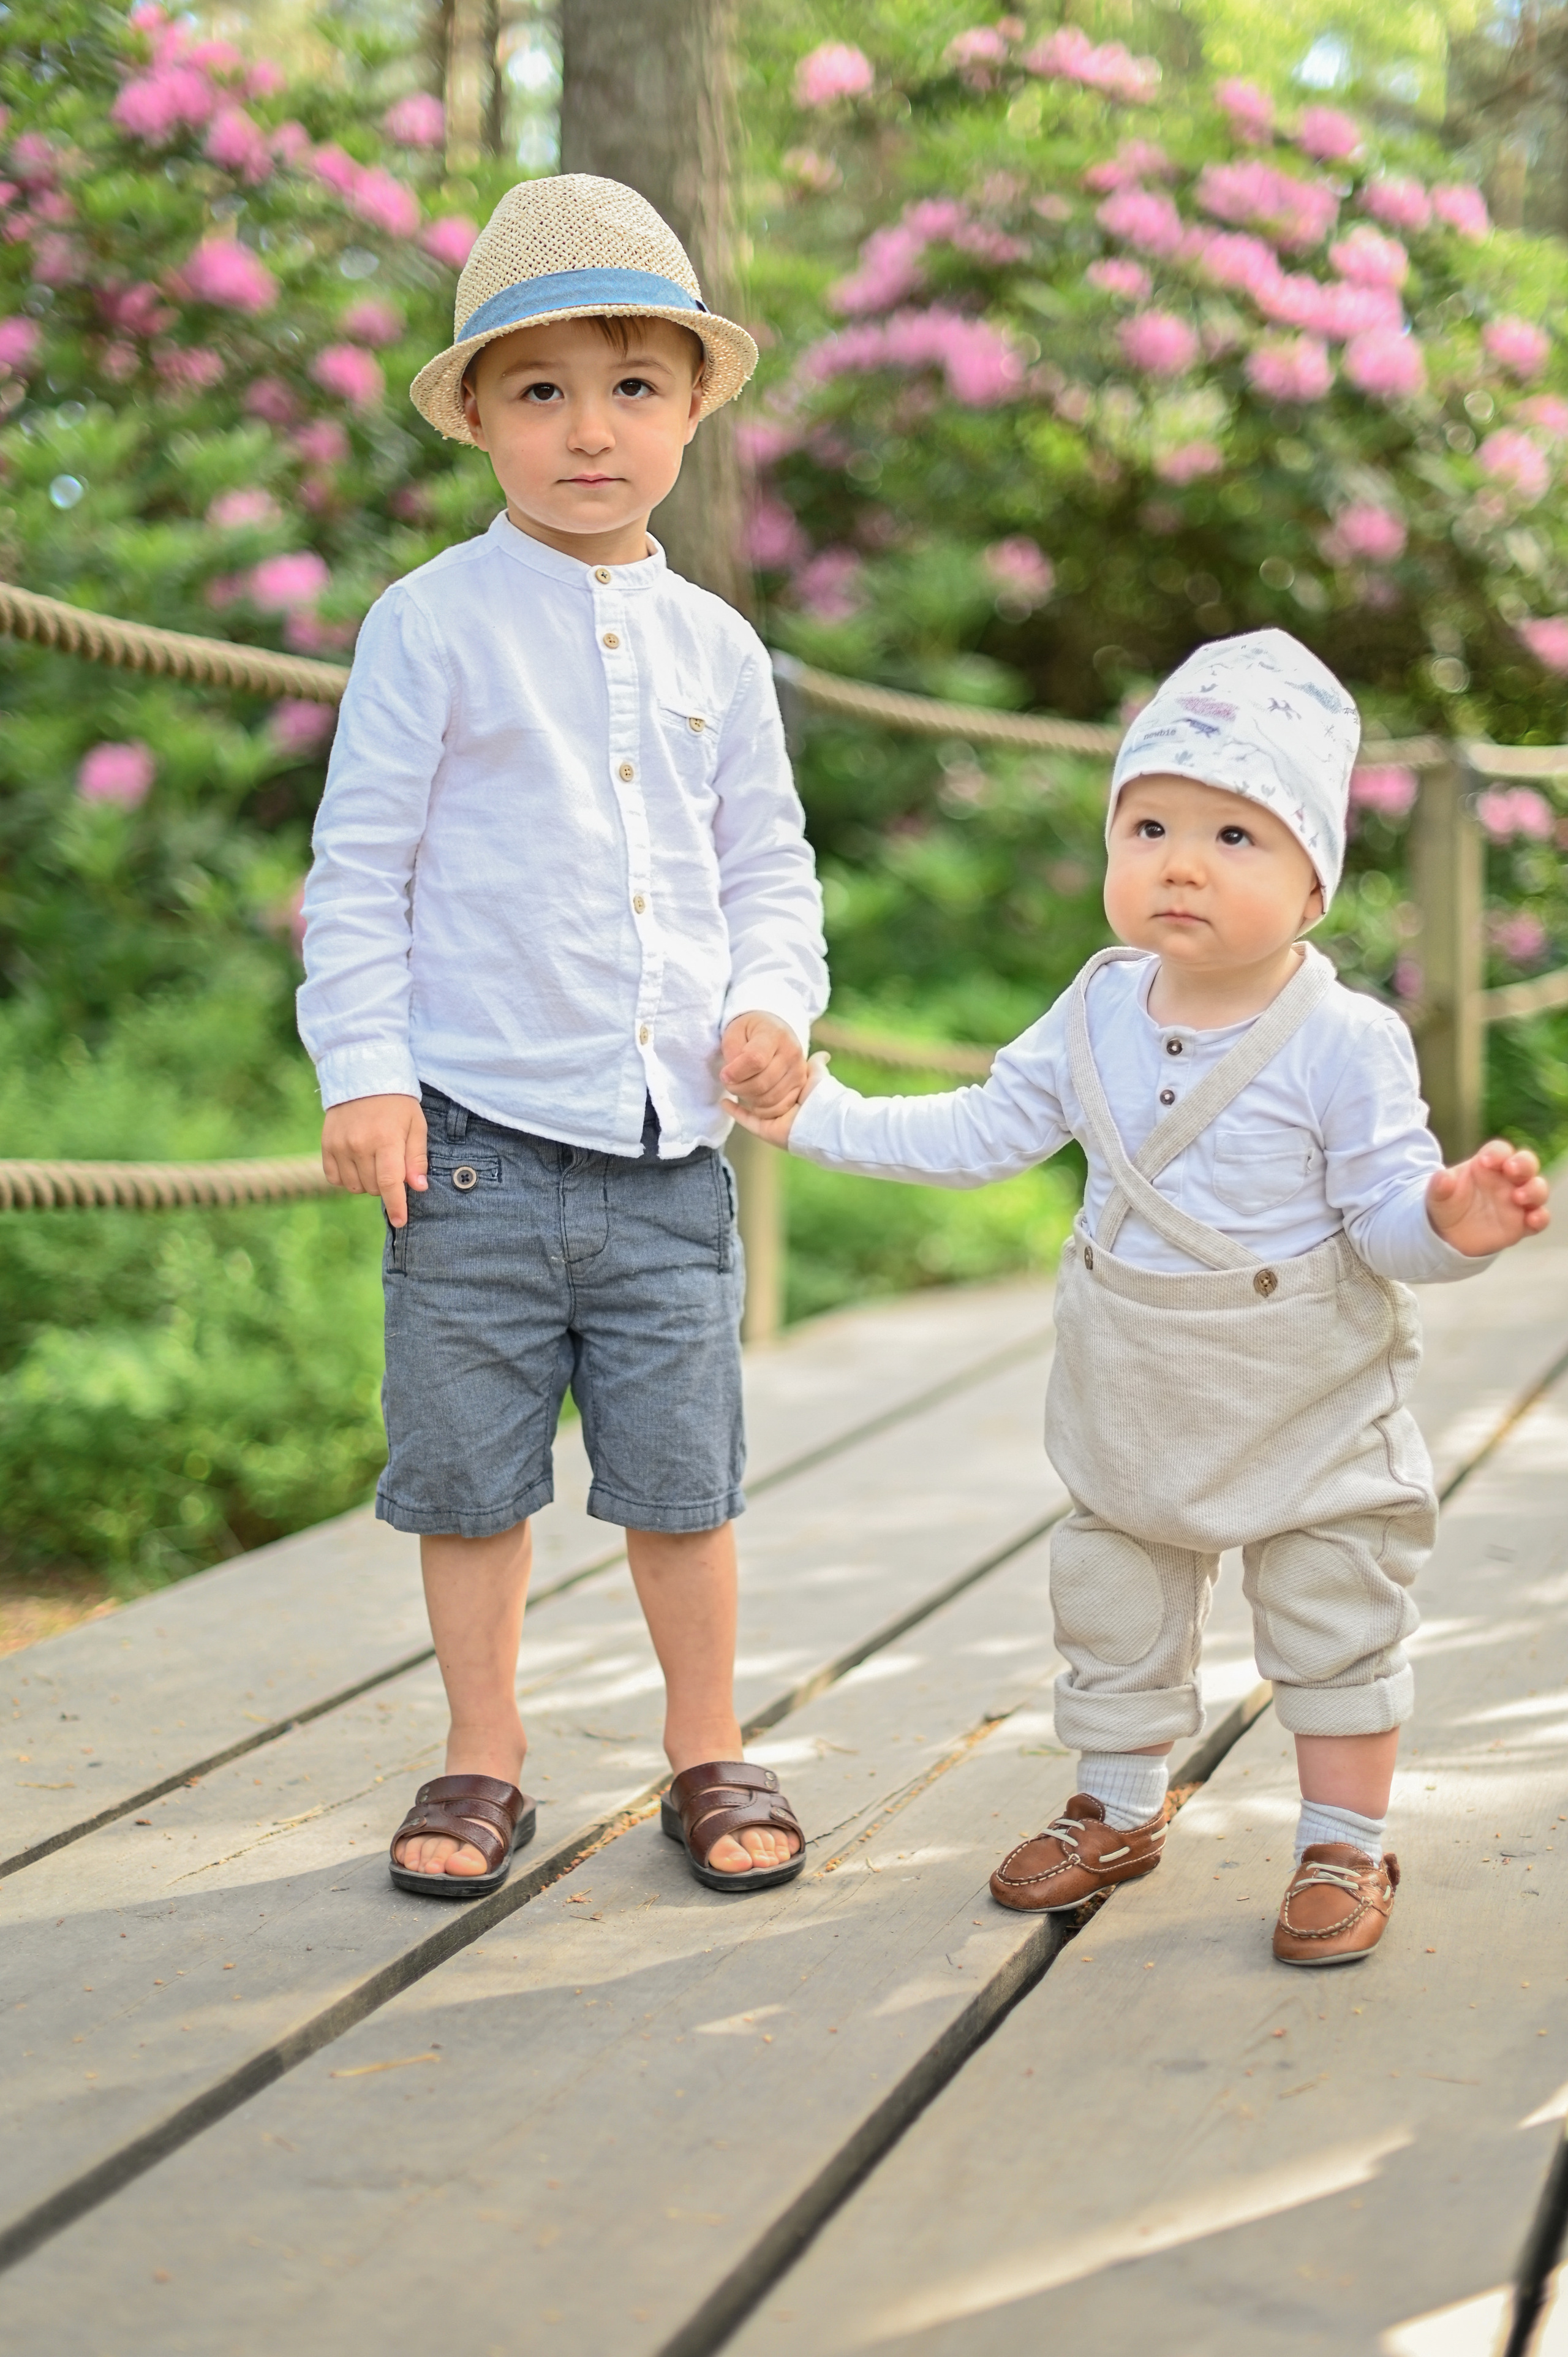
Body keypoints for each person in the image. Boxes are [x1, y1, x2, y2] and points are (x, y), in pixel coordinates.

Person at [728, 628, 1549, 1967]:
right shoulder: (1095, 1006)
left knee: (1333, 1609)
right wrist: (816, 1115)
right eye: (1150, 822)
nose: (1178, 860)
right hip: (1132, 1391)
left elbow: (1388, 1225)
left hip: (1304, 1400)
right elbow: (981, 1131)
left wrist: (1451, 1225)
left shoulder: (1344, 1042)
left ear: (1311, 884)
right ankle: (1114, 1803)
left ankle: (1339, 1837)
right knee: (1110, 1599)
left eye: (1235, 836)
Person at [297, 175, 826, 1900]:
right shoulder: (429, 626)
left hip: (674, 1152)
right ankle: (482, 1751)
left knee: (684, 1478)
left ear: (688, 408)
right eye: (540, 391)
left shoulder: (720, 648)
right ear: (478, 417)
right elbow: (360, 868)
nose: (588, 432)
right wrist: (364, 1071)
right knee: (469, 1475)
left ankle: (703, 1741)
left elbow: (769, 865)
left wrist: (774, 1007)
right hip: (471, 1146)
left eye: (631, 388)